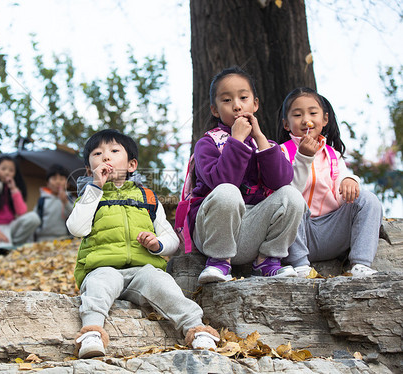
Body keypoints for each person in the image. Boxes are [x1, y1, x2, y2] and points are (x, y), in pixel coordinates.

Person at [67, 129, 220, 359]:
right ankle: (92, 332)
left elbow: (170, 238)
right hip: (102, 267)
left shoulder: (147, 198)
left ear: (131, 165)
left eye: (114, 151)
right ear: (89, 169)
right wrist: (96, 187)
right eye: (98, 154)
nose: (106, 157)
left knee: (164, 284)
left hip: (142, 270)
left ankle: (195, 328)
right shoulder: (90, 196)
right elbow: (76, 228)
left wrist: (157, 244)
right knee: (98, 285)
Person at [189, 66, 306, 283]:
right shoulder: (207, 143)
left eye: (243, 97)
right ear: (215, 110)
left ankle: (267, 261)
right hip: (213, 231)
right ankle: (218, 262)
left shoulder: (267, 145)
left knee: (291, 195)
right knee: (227, 192)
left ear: (255, 104)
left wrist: (260, 138)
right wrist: (236, 141)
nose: (237, 105)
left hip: (251, 232)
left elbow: (281, 180)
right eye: (227, 100)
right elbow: (222, 182)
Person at [277, 87, 383, 277]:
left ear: (324, 119)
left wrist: (350, 180)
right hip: (299, 233)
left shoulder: (334, 155)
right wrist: (303, 157)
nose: (305, 119)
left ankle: (360, 264)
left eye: (312, 113)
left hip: (331, 230)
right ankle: (300, 265)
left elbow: (342, 185)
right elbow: (287, 193)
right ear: (286, 124)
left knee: (368, 199)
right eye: (297, 114)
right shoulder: (281, 152)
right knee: (293, 200)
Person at [0, 155, 41, 251]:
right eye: (3, 169)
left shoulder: (13, 189)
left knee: (34, 218)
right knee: (1, 252)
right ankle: (3, 245)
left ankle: (11, 244)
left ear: (15, 173)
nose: (7, 172)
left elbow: (22, 212)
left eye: (11, 170)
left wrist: (14, 190)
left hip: (10, 226)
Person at [33, 164, 74, 242]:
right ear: (47, 183)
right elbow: (34, 221)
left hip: (65, 239)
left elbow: (76, 217)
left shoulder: (71, 199)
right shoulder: (42, 200)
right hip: (42, 240)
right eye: (54, 179)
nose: (58, 182)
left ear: (67, 184)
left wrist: (65, 202)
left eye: (61, 179)